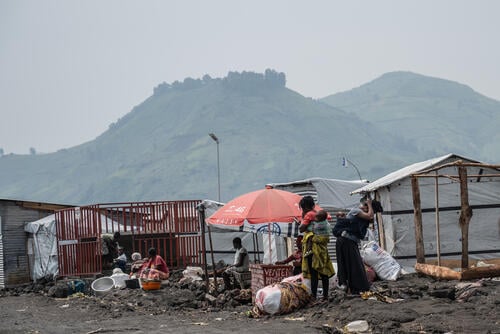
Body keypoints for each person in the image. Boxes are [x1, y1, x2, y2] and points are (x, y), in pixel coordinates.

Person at [333, 196, 373, 295]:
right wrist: (370, 204)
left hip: (349, 241)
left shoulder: (361, 215)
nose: (365, 209)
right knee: (352, 265)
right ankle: (352, 287)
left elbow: (370, 218)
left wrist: (369, 207)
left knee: (354, 265)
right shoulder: (356, 210)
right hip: (346, 240)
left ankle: (353, 287)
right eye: (364, 206)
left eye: (367, 208)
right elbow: (370, 216)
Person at [298, 196, 335, 302]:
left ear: (305, 206)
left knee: (313, 272)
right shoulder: (319, 214)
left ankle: (314, 296)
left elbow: (301, 229)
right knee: (323, 270)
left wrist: (303, 217)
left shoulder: (309, 214)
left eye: (302, 207)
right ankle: (325, 296)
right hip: (322, 247)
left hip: (313, 247)